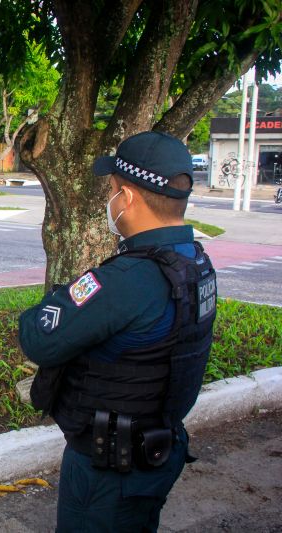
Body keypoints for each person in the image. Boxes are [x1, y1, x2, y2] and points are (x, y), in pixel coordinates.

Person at [18, 131, 218, 533]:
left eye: (111, 190)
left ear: (125, 198)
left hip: (110, 470)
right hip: (157, 451)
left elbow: (38, 337)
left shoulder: (128, 280)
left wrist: (57, 299)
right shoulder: (194, 263)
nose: (110, 200)